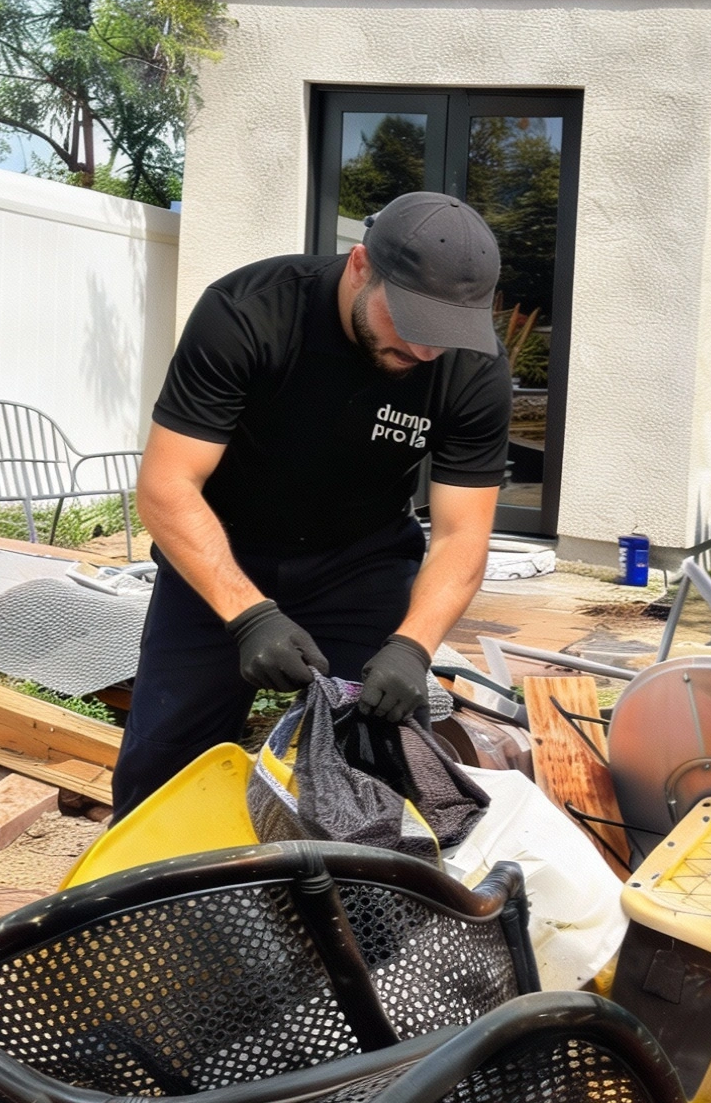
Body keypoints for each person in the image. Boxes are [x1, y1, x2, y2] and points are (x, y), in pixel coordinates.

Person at [115, 190, 512, 816]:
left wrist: (413, 647)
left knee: (375, 763)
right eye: (411, 326)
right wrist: (248, 615)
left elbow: (463, 535)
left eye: (445, 335)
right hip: (224, 549)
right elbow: (167, 487)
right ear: (360, 267)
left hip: (363, 563)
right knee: (167, 759)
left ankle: (348, 906)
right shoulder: (249, 312)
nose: (427, 352)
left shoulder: (472, 370)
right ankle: (143, 897)